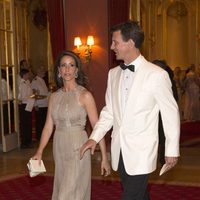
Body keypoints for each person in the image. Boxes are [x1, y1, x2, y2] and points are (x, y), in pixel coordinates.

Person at [80, 21, 180, 200]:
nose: (111, 47)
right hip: (120, 150)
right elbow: (109, 112)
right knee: (140, 195)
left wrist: (172, 149)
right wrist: (94, 137)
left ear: (131, 43)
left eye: (115, 42)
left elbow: (170, 114)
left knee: (131, 196)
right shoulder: (113, 74)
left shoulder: (157, 75)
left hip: (142, 151)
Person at [32, 51, 110, 200]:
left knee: (67, 194)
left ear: (76, 70)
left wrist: (105, 157)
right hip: (59, 146)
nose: (67, 69)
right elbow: (48, 126)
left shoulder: (85, 95)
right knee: (64, 187)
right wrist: (40, 151)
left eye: (71, 65)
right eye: (63, 65)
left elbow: (97, 127)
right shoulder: (54, 97)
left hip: (78, 146)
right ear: (59, 71)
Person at [152, 59, 178, 165]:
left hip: (162, 115)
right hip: (153, 116)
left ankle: (162, 158)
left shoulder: (167, 80)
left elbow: (174, 98)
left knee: (162, 137)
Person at [31, 66, 49, 141]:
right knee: (39, 123)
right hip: (40, 105)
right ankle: (39, 138)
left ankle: (44, 137)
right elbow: (33, 94)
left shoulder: (42, 80)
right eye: (42, 70)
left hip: (45, 104)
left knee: (44, 122)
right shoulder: (35, 81)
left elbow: (45, 93)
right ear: (38, 72)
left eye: (44, 70)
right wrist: (35, 104)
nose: (44, 72)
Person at [18, 69, 34, 148]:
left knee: (29, 123)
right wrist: (31, 97)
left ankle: (28, 140)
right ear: (24, 75)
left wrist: (33, 95)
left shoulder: (27, 82)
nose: (29, 76)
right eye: (27, 74)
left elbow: (29, 92)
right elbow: (22, 97)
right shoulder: (21, 83)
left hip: (29, 104)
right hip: (24, 105)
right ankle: (24, 142)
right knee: (25, 124)